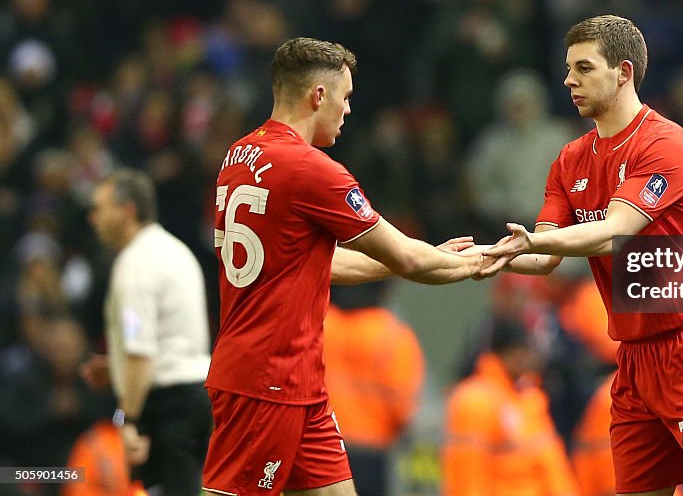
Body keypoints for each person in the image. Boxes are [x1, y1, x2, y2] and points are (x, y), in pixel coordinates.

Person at [202, 37, 490, 496]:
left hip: (299, 381)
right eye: (346, 97)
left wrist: (407, 261)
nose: (348, 110)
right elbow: (411, 257)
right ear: (319, 96)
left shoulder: (239, 156)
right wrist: (482, 259)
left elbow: (320, 261)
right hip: (268, 379)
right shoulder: (311, 169)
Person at [484, 15, 683, 495]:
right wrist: (480, 259)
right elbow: (544, 256)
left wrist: (531, 242)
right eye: (568, 69)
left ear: (623, 72)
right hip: (632, 358)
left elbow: (615, 234)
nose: (569, 80)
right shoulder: (569, 159)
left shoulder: (666, 144)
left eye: (583, 68)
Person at [84, 169, 213, 496]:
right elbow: (168, 339)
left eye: (100, 208)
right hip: (202, 396)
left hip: (166, 408)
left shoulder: (134, 268)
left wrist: (127, 420)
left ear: (128, 210)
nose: (92, 217)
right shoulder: (175, 251)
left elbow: (141, 352)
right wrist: (117, 368)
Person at [441, 318, 579, 496]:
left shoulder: (529, 399)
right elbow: (468, 476)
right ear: (511, 353)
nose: (534, 359)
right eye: (528, 351)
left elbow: (552, 465)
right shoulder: (475, 402)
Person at [323, 281, 426, 496]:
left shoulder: (323, 322)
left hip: (322, 445)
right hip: (372, 453)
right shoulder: (393, 335)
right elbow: (403, 409)